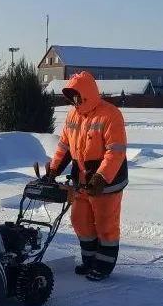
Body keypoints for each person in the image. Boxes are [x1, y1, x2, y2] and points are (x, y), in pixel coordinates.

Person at [44, 71, 128, 281]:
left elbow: (115, 151)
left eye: (77, 94)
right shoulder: (72, 116)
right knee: (80, 220)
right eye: (70, 95)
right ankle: (89, 259)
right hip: (81, 181)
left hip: (105, 183)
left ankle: (103, 265)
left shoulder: (110, 114)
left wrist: (101, 177)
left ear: (87, 93)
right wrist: (53, 169)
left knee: (105, 225)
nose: (74, 100)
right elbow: (64, 146)